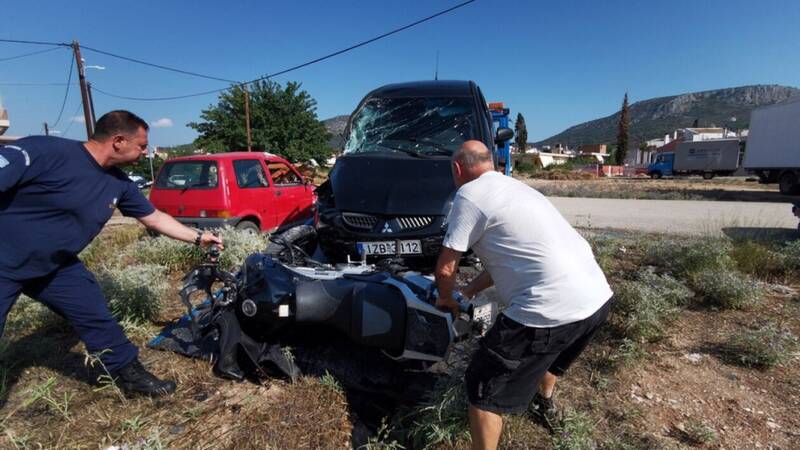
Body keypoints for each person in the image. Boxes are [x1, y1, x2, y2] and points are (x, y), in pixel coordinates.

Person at [0, 110, 223, 397]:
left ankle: (129, 375)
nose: (146, 151)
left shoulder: (119, 183)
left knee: (95, 315)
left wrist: (199, 237)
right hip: (3, 262)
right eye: (142, 145)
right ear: (118, 141)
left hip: (54, 267)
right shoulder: (44, 151)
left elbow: (154, 218)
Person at [434, 140, 613, 450]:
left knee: (482, 387)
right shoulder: (516, 188)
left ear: (457, 169)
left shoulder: (469, 194)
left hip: (549, 309)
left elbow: (446, 269)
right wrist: (468, 291)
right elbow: (506, 261)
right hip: (596, 299)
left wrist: (447, 299)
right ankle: (545, 406)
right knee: (550, 358)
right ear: (491, 163)